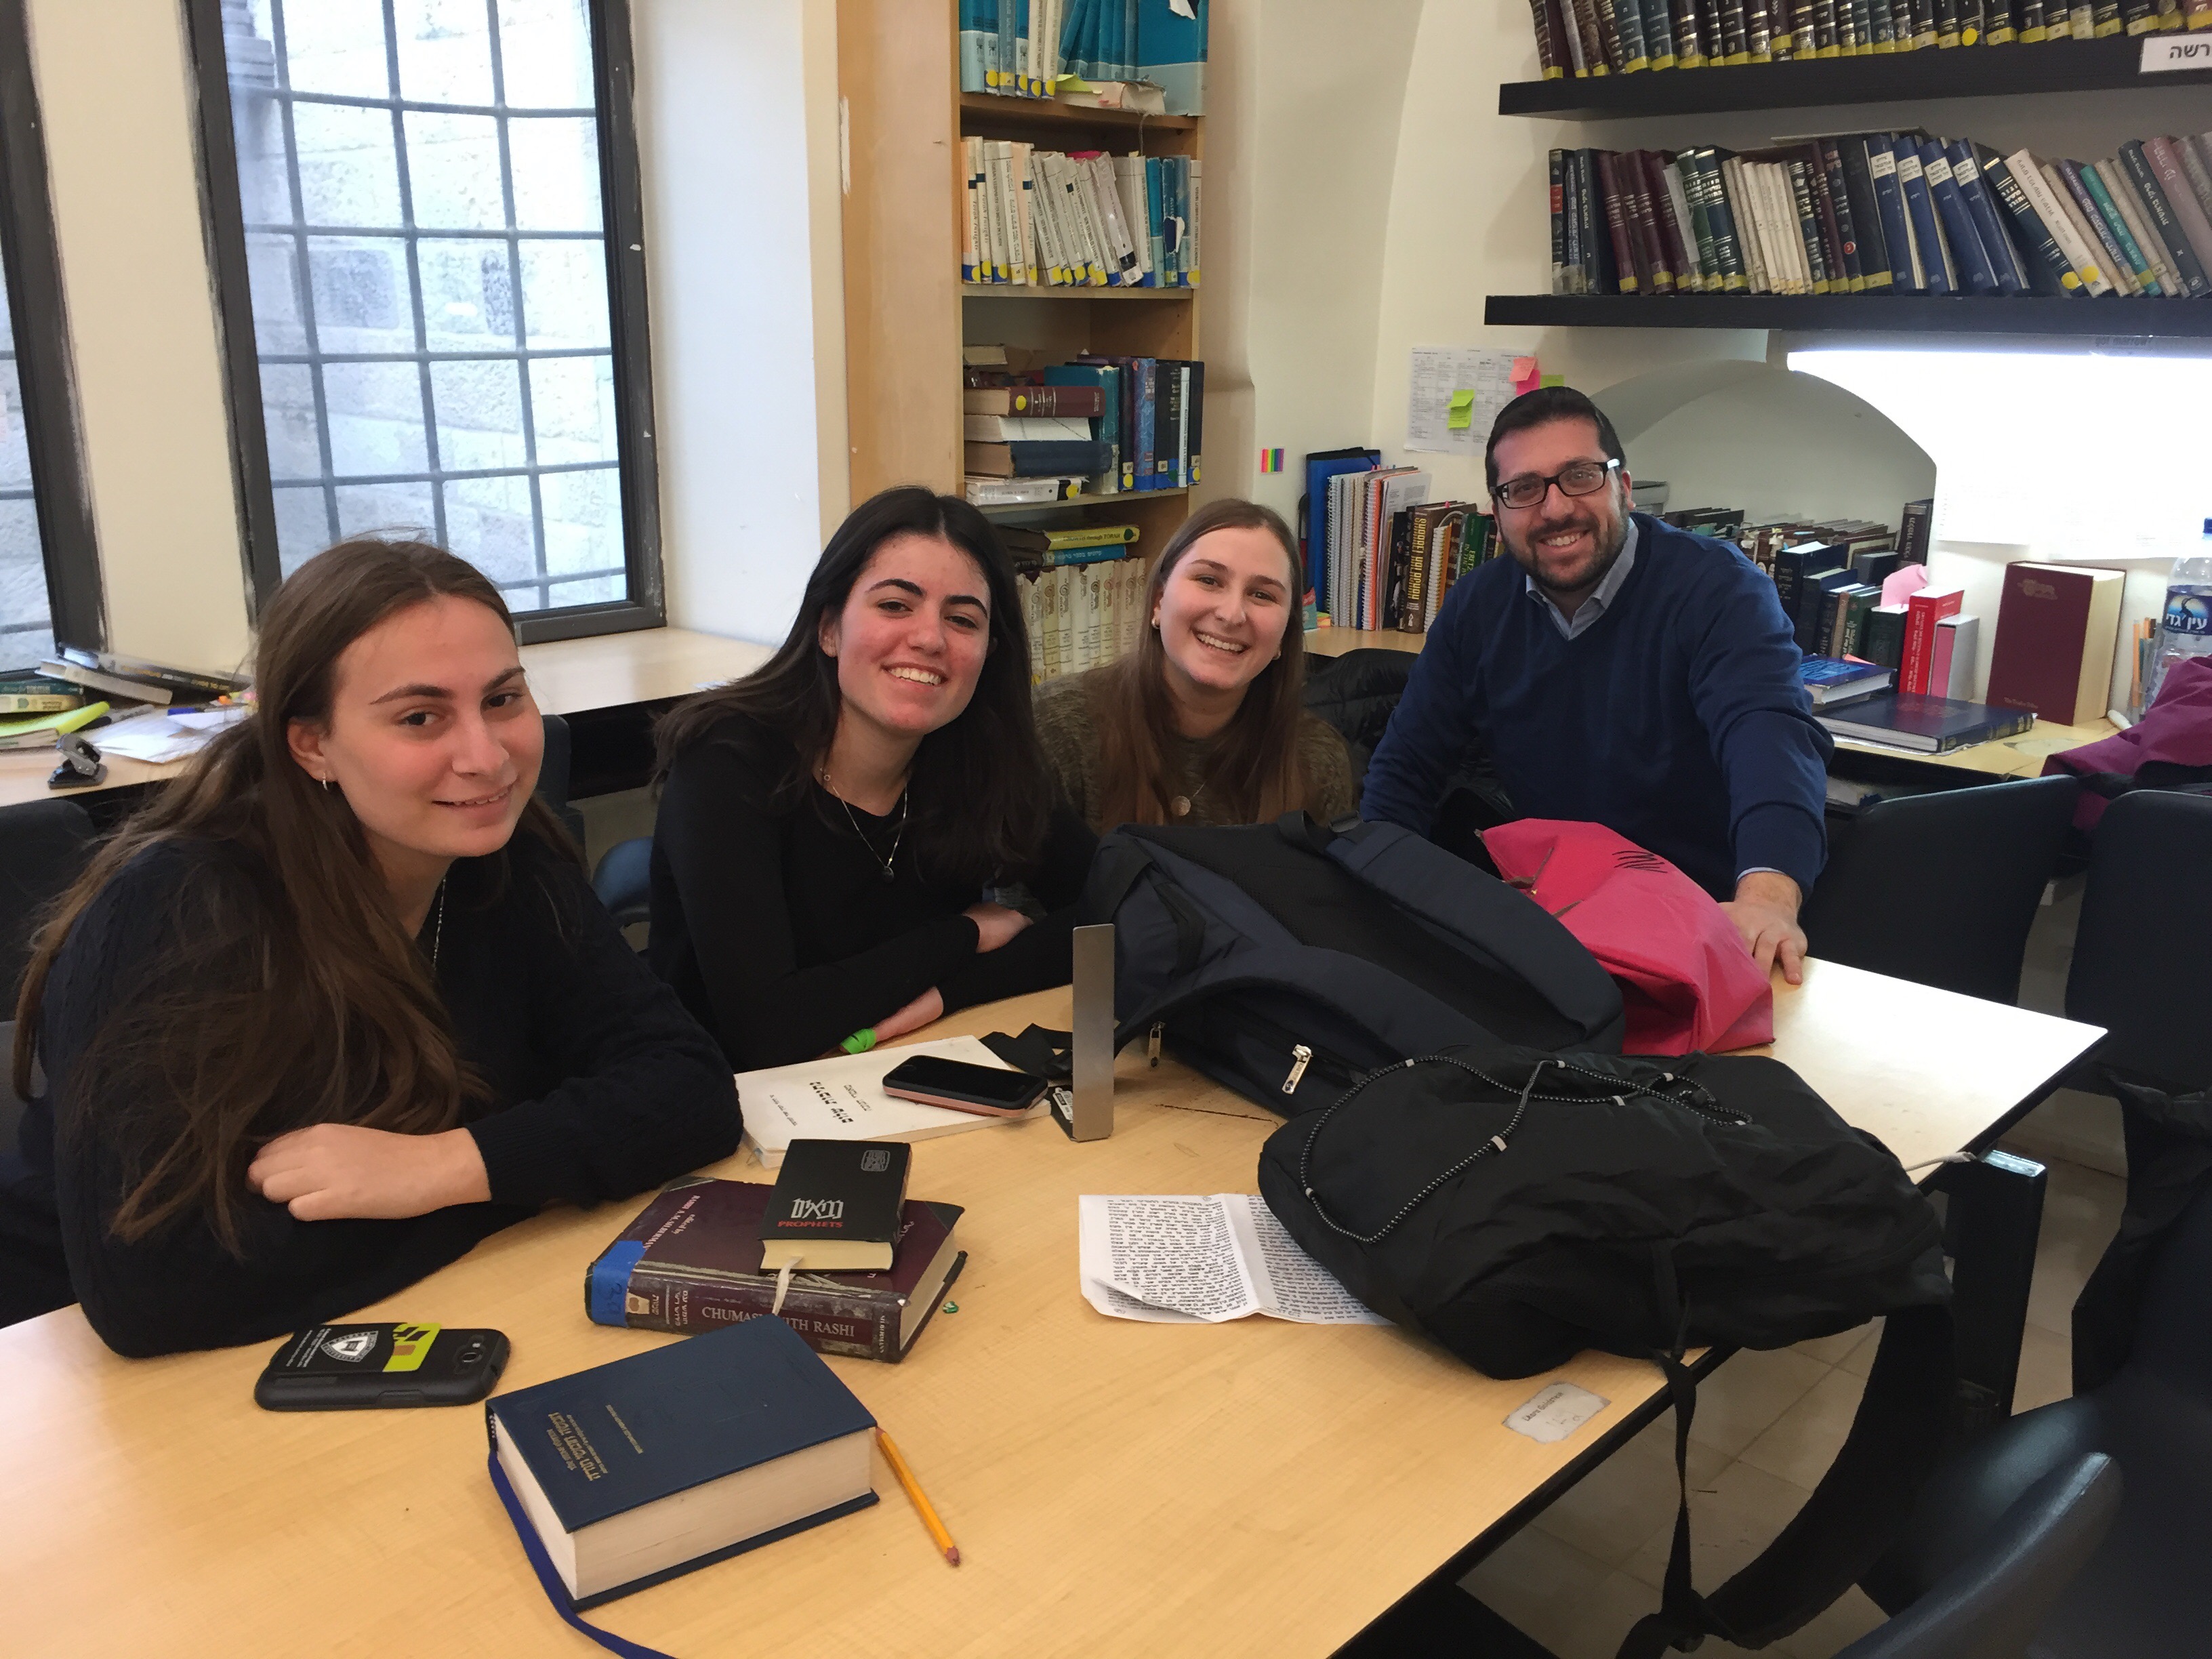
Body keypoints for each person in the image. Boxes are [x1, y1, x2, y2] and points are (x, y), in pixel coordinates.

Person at [0, 540, 739, 1355]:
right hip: (68, 1362)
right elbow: (154, 1287)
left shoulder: (502, 860)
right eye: (420, 717)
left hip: (371, 1314)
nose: (486, 757)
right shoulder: (173, 910)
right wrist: (533, 1176)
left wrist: (445, 1169)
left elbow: (689, 1089)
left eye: (503, 699)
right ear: (311, 745)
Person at [1361, 385, 1832, 983]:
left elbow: (1769, 740)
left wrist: (1767, 899)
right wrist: (1369, 891)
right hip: (1560, 932)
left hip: (1710, 931)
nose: (1556, 509)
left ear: (1624, 488)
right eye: (1523, 489)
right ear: (1498, 516)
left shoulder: (1718, 591)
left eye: (1580, 476)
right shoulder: (1477, 607)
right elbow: (1406, 770)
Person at [649, 487, 1094, 1071]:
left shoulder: (985, 759)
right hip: (726, 1095)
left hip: (894, 1074)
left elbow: (1116, 913)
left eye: (962, 620)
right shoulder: (726, 760)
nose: (930, 638)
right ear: (829, 628)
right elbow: (767, 1030)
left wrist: (947, 994)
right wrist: (963, 936)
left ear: (990, 653)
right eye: (895, 606)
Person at [1033, 498, 1355, 833]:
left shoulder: (1317, 762)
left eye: (1262, 595)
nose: (1231, 615)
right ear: (1159, 601)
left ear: (1285, 636)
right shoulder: (1057, 731)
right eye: (1209, 580)